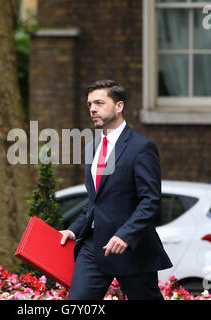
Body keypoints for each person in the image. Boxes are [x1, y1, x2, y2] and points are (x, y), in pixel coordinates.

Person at [60, 80, 172, 300]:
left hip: (132, 247)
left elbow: (150, 201)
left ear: (119, 106)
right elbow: (95, 202)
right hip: (93, 247)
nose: (92, 109)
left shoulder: (141, 148)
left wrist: (125, 235)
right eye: (90, 104)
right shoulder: (91, 148)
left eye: (99, 103)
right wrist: (72, 231)